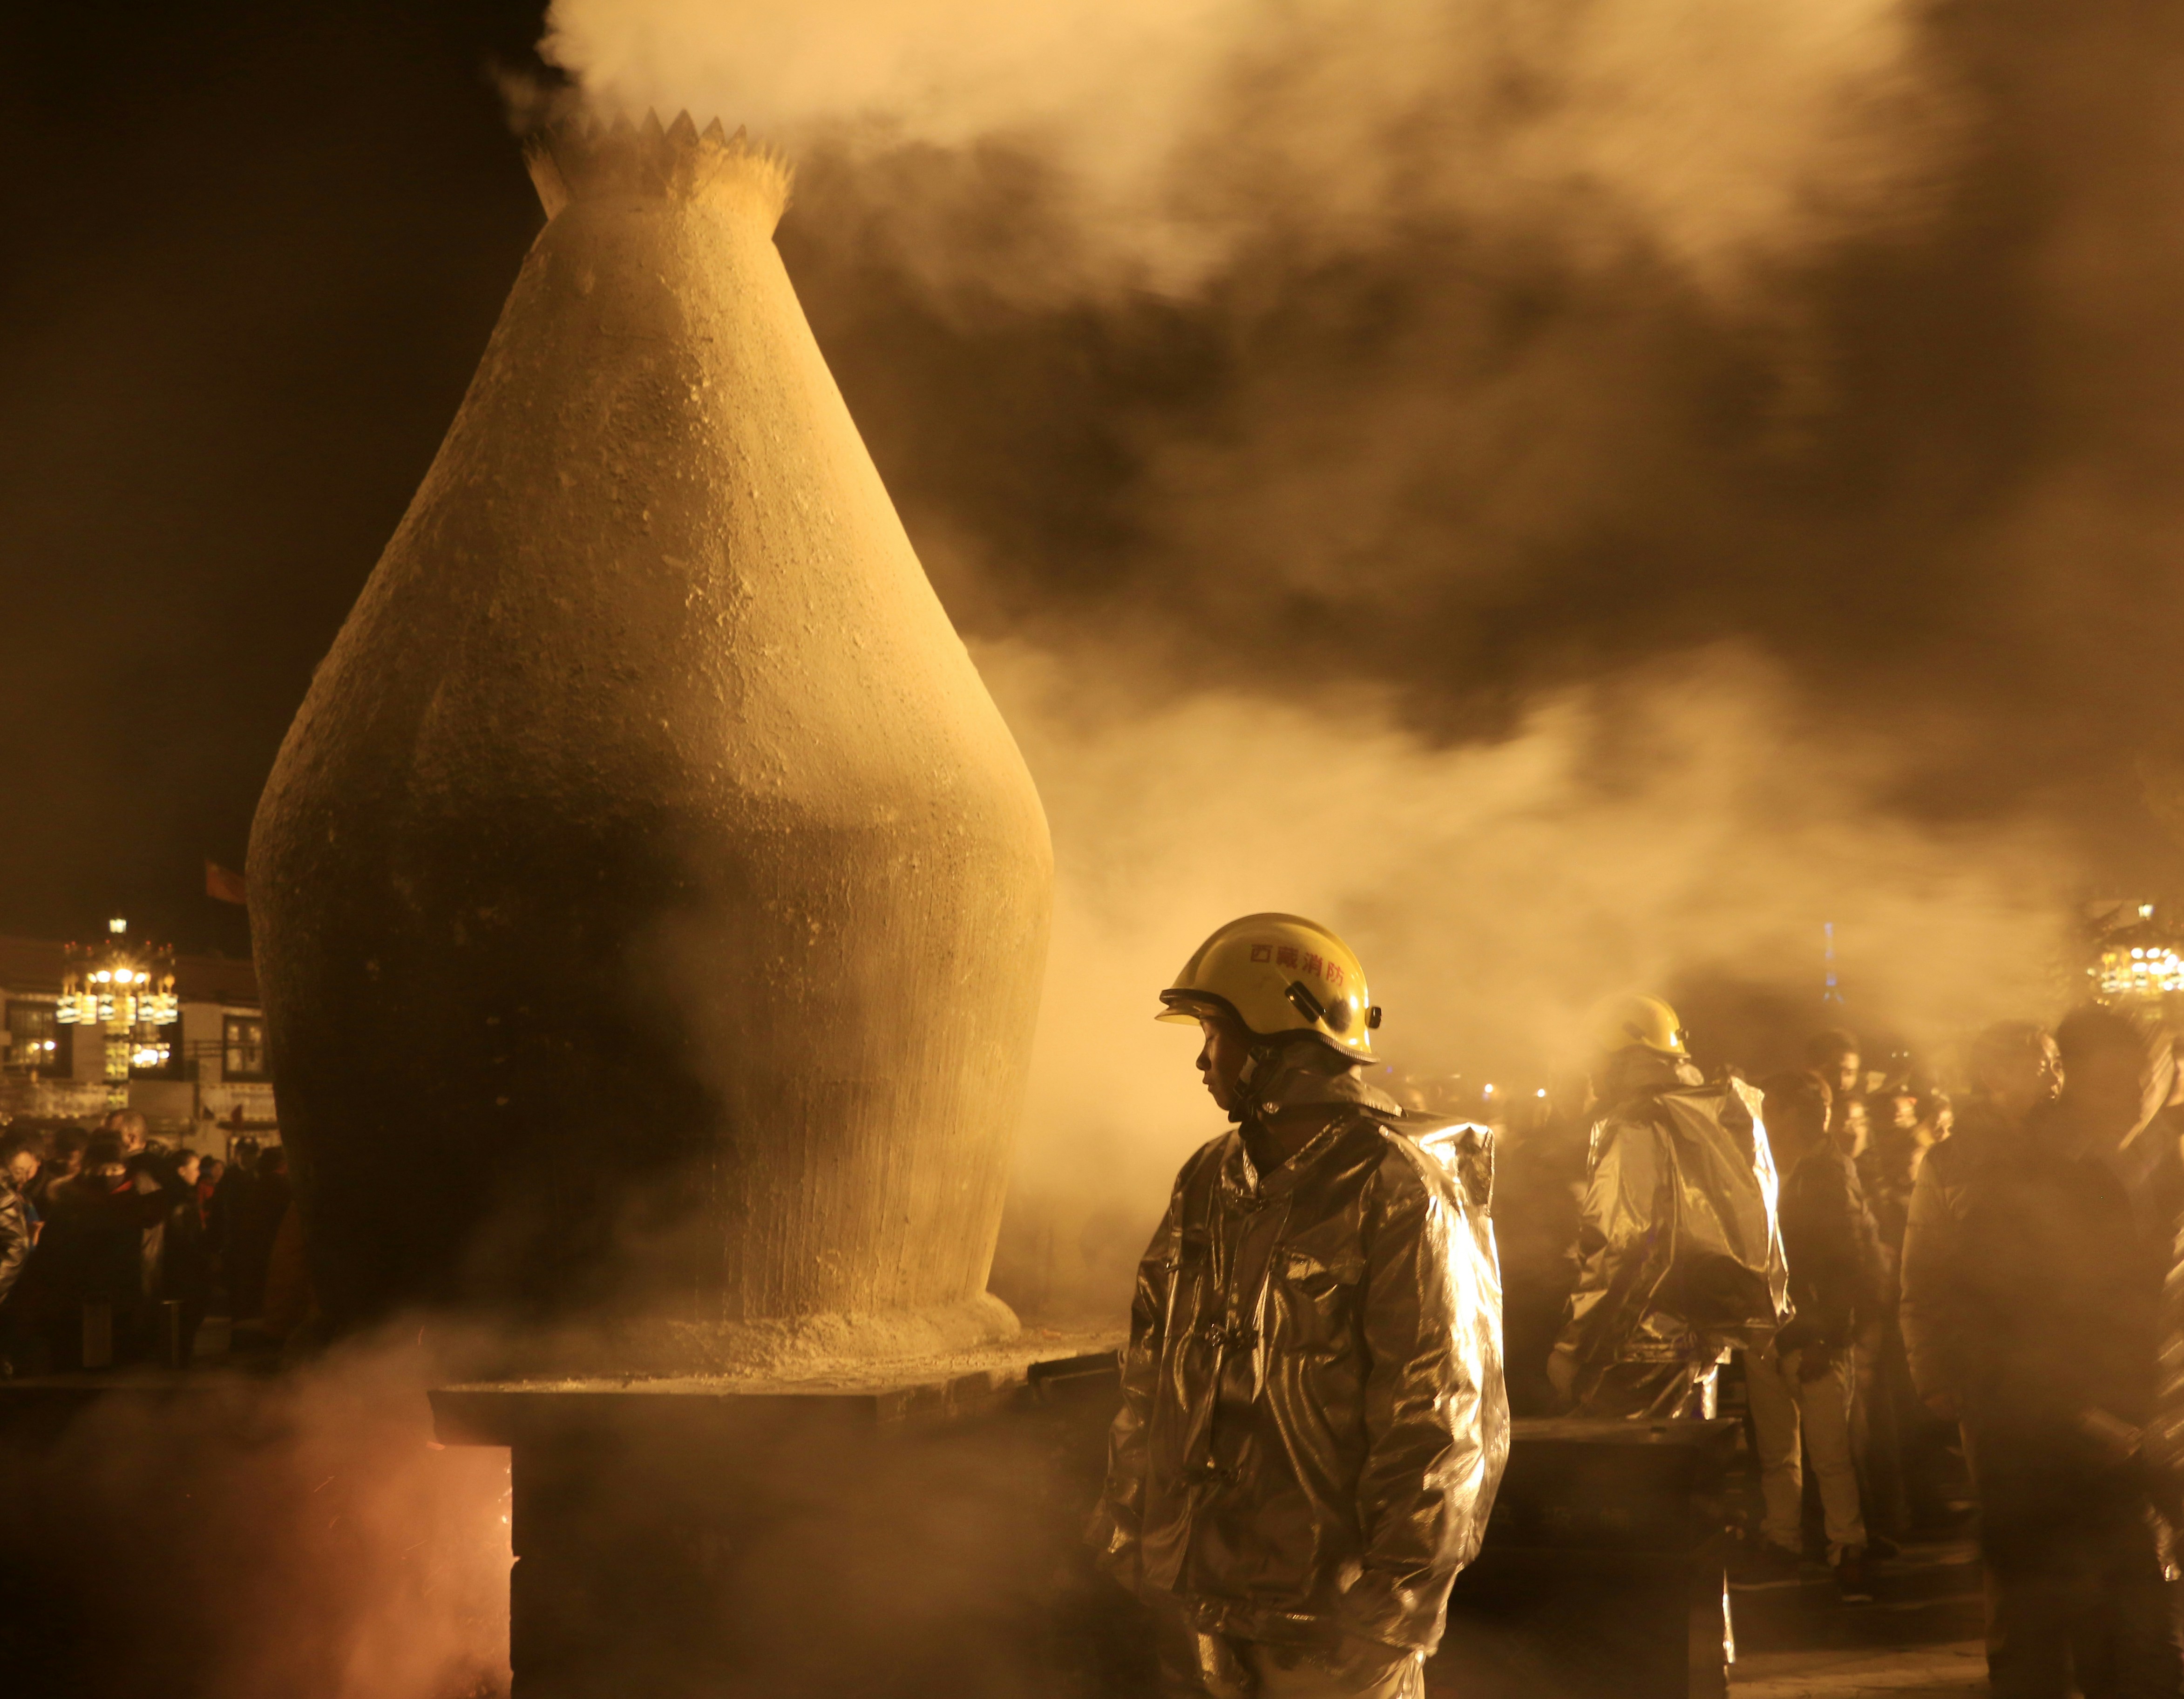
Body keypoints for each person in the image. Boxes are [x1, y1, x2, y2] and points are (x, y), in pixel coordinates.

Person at [1089, 913, 1507, 1699]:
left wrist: (1396, 1602)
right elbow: (1151, 1369)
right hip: (1211, 1601)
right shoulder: (1209, 1177)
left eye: (1215, 1033)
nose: (1202, 1058)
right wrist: (1134, 1526)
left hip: (1336, 1622)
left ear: (1282, 1040)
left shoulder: (1398, 1188)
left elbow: (1438, 1413)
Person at [1915, 1009, 2181, 1699]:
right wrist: (2084, 1415)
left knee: (2128, 1650)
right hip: (2038, 1464)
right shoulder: (2018, 1183)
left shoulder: (2146, 1171)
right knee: (2037, 1646)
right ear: (2069, 1085)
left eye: (2145, 1080)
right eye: (2112, 1083)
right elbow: (1982, 1327)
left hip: (2121, 1459)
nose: (2132, 1097)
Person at [1547, 994, 1790, 1422]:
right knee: (1688, 1476)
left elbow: (1623, 1246)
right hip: (1700, 1350)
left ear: (1625, 1057)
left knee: (1627, 1482)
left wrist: (1573, 1349)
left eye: (1596, 1058)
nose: (1591, 1073)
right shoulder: (1708, 1115)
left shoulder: (1636, 1124)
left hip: (1632, 1354)